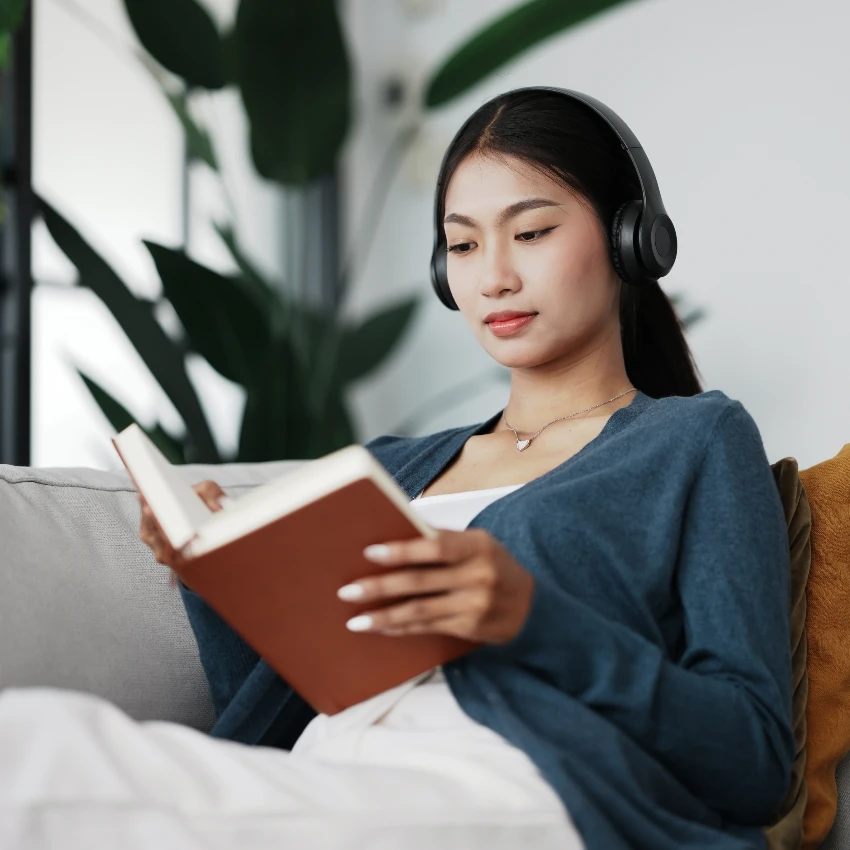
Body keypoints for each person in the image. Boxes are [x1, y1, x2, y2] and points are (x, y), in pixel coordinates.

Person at [0, 88, 794, 850]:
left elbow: (755, 762)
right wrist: (217, 577)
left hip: (518, 783)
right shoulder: (386, 469)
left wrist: (532, 617)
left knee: (35, 756)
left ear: (631, 239)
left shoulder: (695, 440)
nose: (494, 277)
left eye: (533, 232)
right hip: (326, 773)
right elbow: (281, 706)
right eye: (462, 243)